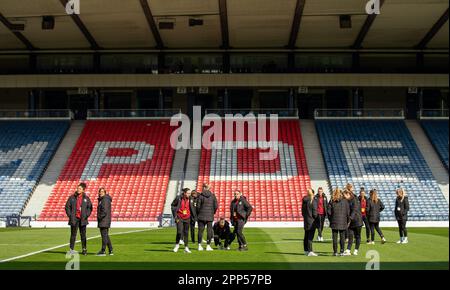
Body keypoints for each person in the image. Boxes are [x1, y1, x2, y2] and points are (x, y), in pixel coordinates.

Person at [65, 183, 93, 255]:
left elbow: (90, 207)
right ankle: (71, 250)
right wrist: (70, 215)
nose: (78, 189)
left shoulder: (86, 198)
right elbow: (67, 207)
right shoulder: (72, 197)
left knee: (83, 235)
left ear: (83, 190)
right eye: (77, 188)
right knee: (73, 235)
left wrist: (86, 215)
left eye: (80, 188)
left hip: (83, 219)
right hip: (74, 219)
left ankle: (84, 249)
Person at [171, 188, 196, 253]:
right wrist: (175, 217)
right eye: (188, 193)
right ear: (184, 193)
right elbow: (172, 206)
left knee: (186, 233)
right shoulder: (178, 198)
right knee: (179, 232)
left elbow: (193, 208)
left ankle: (186, 247)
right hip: (179, 217)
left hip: (187, 218)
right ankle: (177, 245)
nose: (189, 194)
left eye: (190, 193)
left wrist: (193, 217)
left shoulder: (191, 199)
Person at [327, 188, 350, 256]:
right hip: (343, 222)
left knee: (334, 238)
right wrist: (347, 221)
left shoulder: (332, 201)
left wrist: (331, 220)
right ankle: (342, 251)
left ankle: (335, 252)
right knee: (342, 237)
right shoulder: (345, 201)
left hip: (334, 221)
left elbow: (328, 212)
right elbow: (348, 212)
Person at [197, 184, 218, 251]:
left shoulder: (200, 196)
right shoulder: (213, 196)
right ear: (209, 188)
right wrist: (212, 212)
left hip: (201, 216)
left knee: (200, 231)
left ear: (204, 188)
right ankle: (208, 246)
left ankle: (199, 245)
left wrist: (199, 213)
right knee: (209, 231)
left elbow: (198, 206)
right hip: (210, 216)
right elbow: (216, 206)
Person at [344, 190, 363, 256]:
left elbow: (354, 210)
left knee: (357, 236)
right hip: (351, 222)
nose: (344, 197)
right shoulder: (347, 201)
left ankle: (356, 250)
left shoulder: (355, 200)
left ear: (349, 194)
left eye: (345, 195)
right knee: (350, 236)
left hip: (357, 221)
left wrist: (349, 219)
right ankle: (348, 250)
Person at [96, 188, 113, 256]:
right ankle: (111, 250)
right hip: (104, 220)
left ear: (105, 193)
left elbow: (104, 211)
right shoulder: (103, 199)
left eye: (102, 192)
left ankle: (103, 251)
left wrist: (99, 217)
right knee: (106, 236)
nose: (101, 193)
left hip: (104, 220)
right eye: (100, 191)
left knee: (104, 236)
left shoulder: (104, 199)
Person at [302, 188, 318, 256]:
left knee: (306, 236)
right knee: (310, 237)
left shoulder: (304, 201)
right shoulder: (313, 201)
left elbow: (302, 211)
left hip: (306, 220)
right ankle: (310, 251)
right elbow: (315, 213)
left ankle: (306, 250)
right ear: (313, 194)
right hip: (312, 221)